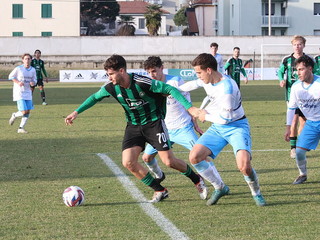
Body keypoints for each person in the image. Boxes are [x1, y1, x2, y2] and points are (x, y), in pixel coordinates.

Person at [64, 54, 207, 203]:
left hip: (154, 124)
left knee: (169, 161)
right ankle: (160, 190)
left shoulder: (142, 82)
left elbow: (171, 90)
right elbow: (94, 97)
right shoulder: (111, 88)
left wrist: (190, 108)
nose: (109, 77)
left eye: (111, 74)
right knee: (128, 162)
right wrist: (76, 112)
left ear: (121, 71)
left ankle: (197, 179)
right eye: (107, 74)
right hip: (133, 126)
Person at [179, 53, 266, 207]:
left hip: (236, 126)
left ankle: (256, 192)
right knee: (195, 157)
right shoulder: (206, 80)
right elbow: (193, 84)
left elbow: (225, 118)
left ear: (209, 70)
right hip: (218, 128)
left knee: (244, 166)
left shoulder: (228, 88)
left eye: (199, 72)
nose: (198, 76)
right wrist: (174, 89)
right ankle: (220, 187)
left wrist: (204, 115)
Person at [141, 56, 210, 198]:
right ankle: (159, 175)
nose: (151, 75)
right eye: (148, 72)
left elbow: (187, 102)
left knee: (200, 156)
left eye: (154, 71)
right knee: (147, 157)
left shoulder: (175, 81)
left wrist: (194, 123)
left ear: (162, 68)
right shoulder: (149, 84)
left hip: (182, 127)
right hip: (162, 129)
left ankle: (216, 183)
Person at [284, 55, 320, 184]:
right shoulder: (295, 87)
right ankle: (302, 174)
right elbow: (291, 108)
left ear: (310, 69)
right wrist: (288, 127)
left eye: (301, 69)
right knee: (299, 152)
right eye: (297, 69)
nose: (298, 73)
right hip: (311, 123)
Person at [278, 35, 307, 158]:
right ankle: (293, 149)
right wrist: (281, 80)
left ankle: (299, 144)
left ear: (303, 45)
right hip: (291, 96)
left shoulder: (308, 59)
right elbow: (280, 71)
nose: (297, 46)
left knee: (304, 123)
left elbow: (314, 73)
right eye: (295, 44)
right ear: (292, 46)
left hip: (305, 96)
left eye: (299, 44)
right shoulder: (287, 60)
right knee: (293, 121)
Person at [8, 53, 37, 134]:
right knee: (24, 111)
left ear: (31, 60)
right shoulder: (19, 68)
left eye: (28, 59)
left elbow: (35, 80)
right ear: (23, 60)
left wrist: (33, 83)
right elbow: (10, 76)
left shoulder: (33, 70)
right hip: (19, 92)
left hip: (28, 92)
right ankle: (14, 115)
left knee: (28, 111)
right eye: (25, 59)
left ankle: (21, 128)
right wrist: (18, 82)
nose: (27, 60)